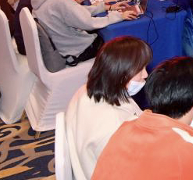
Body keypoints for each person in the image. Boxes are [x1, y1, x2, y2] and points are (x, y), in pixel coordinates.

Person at [65, 36, 153, 179]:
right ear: (121, 72)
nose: (146, 74)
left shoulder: (85, 90)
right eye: (140, 69)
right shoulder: (115, 126)